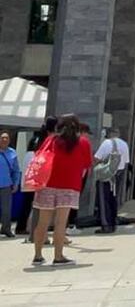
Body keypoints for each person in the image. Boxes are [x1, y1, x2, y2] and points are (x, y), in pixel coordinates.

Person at [31, 114, 92, 266]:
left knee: (43, 222)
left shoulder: (51, 140)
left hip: (47, 184)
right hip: (69, 186)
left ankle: (38, 255)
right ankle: (58, 256)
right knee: (60, 223)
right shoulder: (83, 142)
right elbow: (86, 165)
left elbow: (39, 156)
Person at [17, 117, 56, 239]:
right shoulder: (48, 140)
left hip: (30, 169)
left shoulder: (34, 140)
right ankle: (32, 230)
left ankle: (22, 226)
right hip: (39, 170)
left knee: (28, 202)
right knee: (37, 204)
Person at [93, 127, 129, 234]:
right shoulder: (124, 144)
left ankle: (106, 225)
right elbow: (126, 162)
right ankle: (113, 223)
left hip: (106, 175)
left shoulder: (106, 143)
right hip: (119, 174)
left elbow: (97, 158)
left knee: (103, 200)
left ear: (108, 134)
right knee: (114, 199)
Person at [0, 131, 20, 238]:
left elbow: (16, 170)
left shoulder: (12, 153)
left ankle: (6, 229)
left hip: (6, 185)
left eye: (6, 138)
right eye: (2, 137)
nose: (4, 140)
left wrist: (16, 183)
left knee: (6, 209)